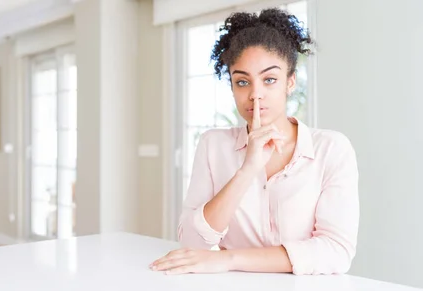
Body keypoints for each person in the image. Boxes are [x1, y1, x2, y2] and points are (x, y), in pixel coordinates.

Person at [149, 7, 359, 275]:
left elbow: (336, 251)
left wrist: (229, 259)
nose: (255, 95)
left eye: (269, 79)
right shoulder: (213, 145)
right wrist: (247, 169)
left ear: (290, 82)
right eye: (242, 82)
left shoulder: (331, 149)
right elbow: (192, 240)